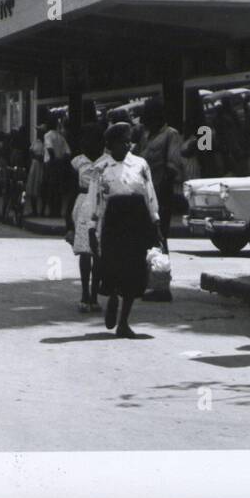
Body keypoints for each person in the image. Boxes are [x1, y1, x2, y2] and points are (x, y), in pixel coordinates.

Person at [88, 122, 163, 339]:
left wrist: (155, 221)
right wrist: (92, 228)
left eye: (129, 140)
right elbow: (94, 199)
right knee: (112, 268)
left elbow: (149, 193)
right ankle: (112, 297)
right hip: (112, 222)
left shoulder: (141, 165)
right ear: (110, 144)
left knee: (134, 271)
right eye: (122, 140)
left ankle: (124, 322)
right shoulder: (100, 168)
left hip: (136, 220)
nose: (127, 144)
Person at [68, 125, 106, 313]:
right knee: (85, 251)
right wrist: (68, 223)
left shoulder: (107, 161)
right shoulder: (77, 162)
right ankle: (84, 292)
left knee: (98, 252)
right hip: (82, 204)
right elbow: (70, 190)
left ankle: (94, 294)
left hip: (101, 204)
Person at [139, 100, 184, 242]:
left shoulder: (171, 134)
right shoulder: (145, 136)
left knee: (159, 235)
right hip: (144, 190)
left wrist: (160, 189)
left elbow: (173, 166)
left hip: (161, 193)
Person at [26, 126, 46, 216]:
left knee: (42, 188)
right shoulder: (36, 142)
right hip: (34, 166)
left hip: (42, 167)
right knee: (32, 188)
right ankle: (34, 210)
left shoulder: (46, 143)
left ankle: (42, 210)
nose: (38, 133)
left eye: (40, 131)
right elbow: (31, 152)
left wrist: (39, 158)